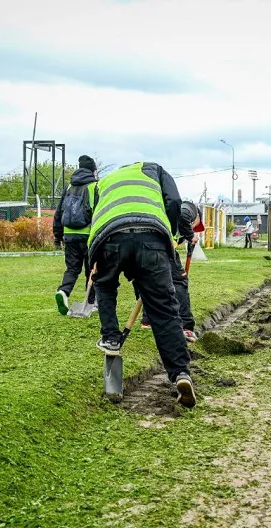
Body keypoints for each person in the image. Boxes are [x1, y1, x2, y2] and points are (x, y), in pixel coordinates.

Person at [88, 161, 196, 407]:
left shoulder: (106, 180)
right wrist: (168, 234)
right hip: (152, 238)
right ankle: (180, 372)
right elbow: (175, 203)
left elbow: (95, 213)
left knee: (104, 286)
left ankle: (112, 338)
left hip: (108, 237)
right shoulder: (155, 170)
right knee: (164, 309)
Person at [139, 200, 204, 344]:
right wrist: (190, 235)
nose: (194, 228)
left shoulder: (171, 218)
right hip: (160, 247)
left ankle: (148, 320)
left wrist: (185, 238)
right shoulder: (189, 208)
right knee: (180, 282)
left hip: (147, 244)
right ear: (198, 217)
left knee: (151, 282)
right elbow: (183, 217)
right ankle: (186, 325)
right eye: (196, 226)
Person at [53, 155, 98, 315]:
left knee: (72, 269)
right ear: (93, 171)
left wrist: (57, 236)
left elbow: (59, 212)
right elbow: (99, 212)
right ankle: (91, 303)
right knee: (91, 270)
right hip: (89, 235)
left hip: (69, 234)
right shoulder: (94, 187)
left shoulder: (69, 186)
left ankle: (63, 292)